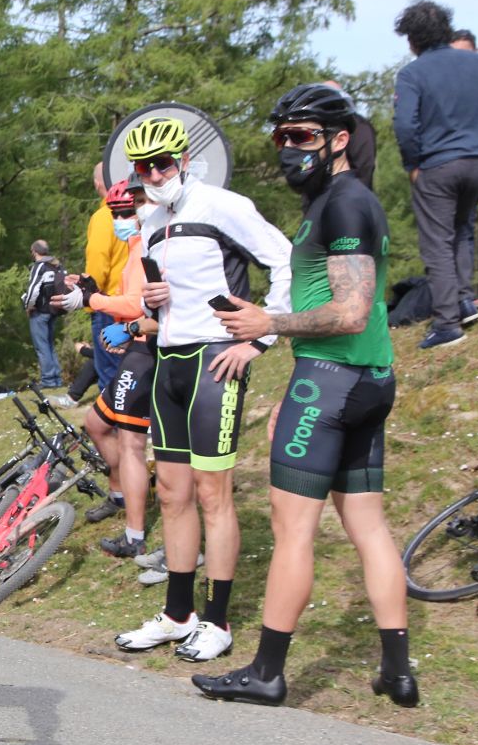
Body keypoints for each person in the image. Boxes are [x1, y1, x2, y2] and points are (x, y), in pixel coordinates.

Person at [193, 84, 416, 707]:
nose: (290, 150)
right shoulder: (343, 201)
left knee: (294, 532)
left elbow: (347, 312)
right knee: (368, 525)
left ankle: (266, 672)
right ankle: (397, 670)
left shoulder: (344, 205)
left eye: (303, 137)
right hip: (367, 381)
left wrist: (269, 323)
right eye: (282, 138)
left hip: (332, 383)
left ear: (338, 140)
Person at [113, 115, 291, 663]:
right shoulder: (150, 218)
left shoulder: (222, 205)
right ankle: (177, 614)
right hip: (169, 359)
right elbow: (157, 299)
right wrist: (152, 301)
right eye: (143, 169)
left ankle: (217, 620)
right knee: (173, 493)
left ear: (184, 161)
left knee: (214, 494)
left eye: (163, 165)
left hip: (216, 359)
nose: (154, 175)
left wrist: (262, 336)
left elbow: (284, 259)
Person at [55, 176, 159, 553]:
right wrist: (91, 288)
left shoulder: (153, 244)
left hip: (150, 350)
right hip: (137, 344)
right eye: (115, 212)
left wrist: (92, 301)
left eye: (127, 211)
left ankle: (135, 533)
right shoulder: (134, 243)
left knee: (131, 442)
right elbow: (127, 295)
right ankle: (120, 494)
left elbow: (138, 305)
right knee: (97, 423)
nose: (121, 219)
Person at [391, 0, 478, 348]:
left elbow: (404, 125)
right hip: (477, 159)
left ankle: (447, 324)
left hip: (438, 165)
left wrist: (412, 165)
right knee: (462, 231)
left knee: (437, 243)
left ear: (412, 40)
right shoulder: (475, 63)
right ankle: (462, 299)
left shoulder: (413, 73)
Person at [83, 161, 132, 391]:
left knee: (111, 373)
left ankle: (111, 421)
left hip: (109, 302)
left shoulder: (104, 216)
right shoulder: (136, 213)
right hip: (134, 303)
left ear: (97, 184)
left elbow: (98, 260)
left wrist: (89, 297)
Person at [21, 239, 66, 389]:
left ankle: (48, 380)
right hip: (53, 310)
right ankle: (57, 379)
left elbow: (33, 289)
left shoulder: (39, 266)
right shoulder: (56, 265)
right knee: (50, 345)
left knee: (42, 346)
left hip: (39, 311)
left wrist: (28, 306)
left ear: (34, 251)